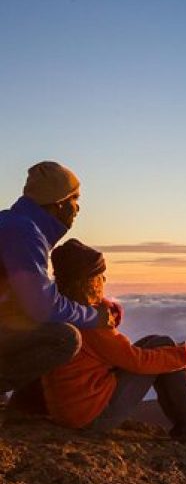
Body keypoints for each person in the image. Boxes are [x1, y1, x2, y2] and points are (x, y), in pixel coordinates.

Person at [43, 238, 186, 442]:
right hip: (92, 416)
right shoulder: (91, 323)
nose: (104, 280)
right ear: (88, 282)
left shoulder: (64, 311)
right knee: (164, 351)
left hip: (69, 409)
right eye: (100, 275)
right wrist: (182, 355)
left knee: (158, 344)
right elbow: (136, 361)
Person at [0, 162, 113, 409]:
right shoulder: (24, 232)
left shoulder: (11, 223)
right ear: (59, 202)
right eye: (75, 199)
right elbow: (43, 307)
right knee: (64, 338)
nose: (78, 207)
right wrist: (94, 317)